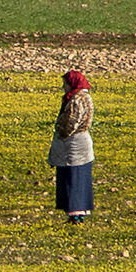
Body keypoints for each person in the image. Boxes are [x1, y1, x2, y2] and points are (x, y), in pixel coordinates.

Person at [50, 70, 94, 222]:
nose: (64, 87)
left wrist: (60, 133)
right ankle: (78, 214)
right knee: (78, 178)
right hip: (79, 145)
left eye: (65, 84)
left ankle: (75, 215)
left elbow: (71, 123)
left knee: (73, 179)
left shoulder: (76, 100)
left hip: (74, 145)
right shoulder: (83, 97)